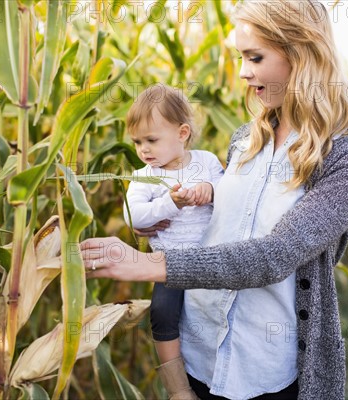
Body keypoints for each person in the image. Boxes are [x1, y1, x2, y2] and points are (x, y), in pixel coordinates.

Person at [81, 1, 348, 399]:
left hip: (268, 372)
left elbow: (274, 256)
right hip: (198, 356)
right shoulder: (243, 140)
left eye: (255, 57)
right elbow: (215, 231)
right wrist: (155, 219)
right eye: (240, 57)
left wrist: (146, 264)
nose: (244, 72)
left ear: (302, 52)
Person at [123, 84, 224, 400]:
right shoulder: (145, 177)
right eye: (137, 142)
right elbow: (135, 217)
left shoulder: (205, 162)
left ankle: (221, 375)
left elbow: (229, 194)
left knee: (218, 317)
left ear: (182, 133)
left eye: (151, 140)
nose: (144, 149)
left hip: (211, 261)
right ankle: (178, 388)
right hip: (168, 266)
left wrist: (210, 189)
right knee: (163, 314)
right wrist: (171, 203)